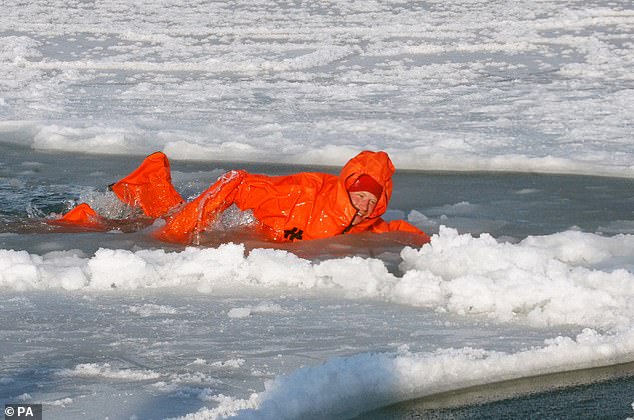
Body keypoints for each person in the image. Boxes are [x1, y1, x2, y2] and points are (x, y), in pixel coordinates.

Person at [55, 150, 431, 245]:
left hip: (264, 236)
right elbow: (237, 181)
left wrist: (430, 243)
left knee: (177, 220)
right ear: (348, 185)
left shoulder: (366, 221)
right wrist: (176, 234)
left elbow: (389, 229)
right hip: (248, 218)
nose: (366, 203)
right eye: (360, 193)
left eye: (373, 198)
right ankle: (88, 220)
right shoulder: (301, 194)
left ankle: (149, 183)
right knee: (171, 229)